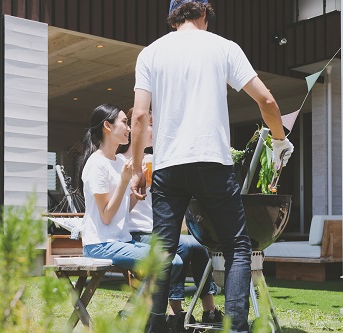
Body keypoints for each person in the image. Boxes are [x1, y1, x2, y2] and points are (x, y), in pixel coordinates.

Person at [130, 1, 294, 332]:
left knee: (163, 248)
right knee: (237, 247)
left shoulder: (151, 53)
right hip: (212, 162)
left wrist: (136, 168)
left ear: (174, 16)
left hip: (168, 166)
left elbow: (138, 116)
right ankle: (235, 327)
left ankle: (156, 326)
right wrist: (279, 142)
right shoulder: (224, 48)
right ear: (204, 14)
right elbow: (267, 101)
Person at [117, 108, 222, 330]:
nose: (156, 130)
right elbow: (118, 209)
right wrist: (139, 185)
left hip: (157, 231)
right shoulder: (120, 162)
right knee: (177, 248)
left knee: (199, 246)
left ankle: (209, 310)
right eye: (151, 125)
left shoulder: (157, 159)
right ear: (137, 129)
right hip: (136, 232)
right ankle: (174, 311)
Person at [79, 103, 151, 271]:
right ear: (107, 126)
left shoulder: (120, 162)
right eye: (125, 122)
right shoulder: (96, 163)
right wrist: (124, 182)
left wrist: (144, 185)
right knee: (166, 262)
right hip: (99, 244)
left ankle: (144, 298)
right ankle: (143, 298)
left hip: (121, 241)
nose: (129, 129)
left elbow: (124, 209)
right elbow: (106, 216)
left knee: (174, 258)